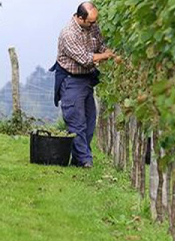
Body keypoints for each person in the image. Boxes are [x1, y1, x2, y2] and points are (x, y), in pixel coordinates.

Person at [51, 2, 119, 168]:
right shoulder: (69, 34)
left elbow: (100, 45)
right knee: (76, 122)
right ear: (80, 18)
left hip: (86, 79)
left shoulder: (92, 26)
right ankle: (84, 160)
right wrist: (106, 55)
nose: (94, 25)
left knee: (89, 120)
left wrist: (111, 53)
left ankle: (79, 158)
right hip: (71, 80)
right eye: (91, 22)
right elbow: (85, 58)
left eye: (95, 22)